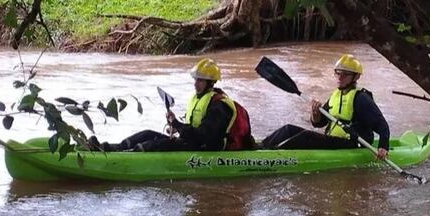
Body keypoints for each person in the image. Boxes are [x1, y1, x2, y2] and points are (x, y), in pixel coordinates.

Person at [88, 58, 252, 152]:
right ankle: (110, 148)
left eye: (200, 81)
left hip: (207, 148)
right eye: (196, 79)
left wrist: (177, 125)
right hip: (194, 142)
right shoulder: (199, 98)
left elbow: (203, 136)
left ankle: (127, 157)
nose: (195, 84)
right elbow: (192, 128)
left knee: (156, 144)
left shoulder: (219, 106)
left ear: (210, 83)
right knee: (147, 133)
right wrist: (174, 127)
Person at [261, 54, 390, 159]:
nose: (340, 77)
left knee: (306, 136)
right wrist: (315, 114)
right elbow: (319, 123)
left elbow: (382, 125)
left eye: (345, 74)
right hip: (334, 140)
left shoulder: (361, 98)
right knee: (288, 129)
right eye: (338, 73)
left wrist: (383, 147)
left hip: (353, 143)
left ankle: (272, 157)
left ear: (356, 76)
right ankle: (260, 146)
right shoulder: (335, 95)